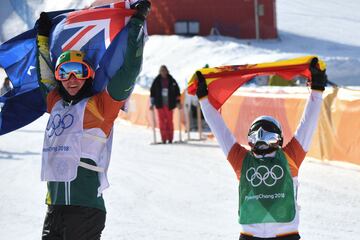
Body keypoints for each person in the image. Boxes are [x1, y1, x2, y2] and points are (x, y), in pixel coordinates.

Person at [35, 1, 151, 239]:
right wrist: (43, 39)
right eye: (64, 73)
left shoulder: (101, 106)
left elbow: (129, 70)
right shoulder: (55, 102)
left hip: (86, 209)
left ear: (88, 74)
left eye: (78, 71)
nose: (71, 78)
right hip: (54, 209)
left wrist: (137, 23)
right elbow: (44, 76)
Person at [195, 59, 327, 240]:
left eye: (266, 134)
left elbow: (219, 129)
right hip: (283, 234)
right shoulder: (290, 156)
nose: (262, 137)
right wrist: (317, 89)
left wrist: (204, 100)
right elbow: (308, 124)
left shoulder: (242, 160)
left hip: (254, 234)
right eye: (260, 134)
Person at [150, 65, 181, 143]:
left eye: (164, 70)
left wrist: (178, 102)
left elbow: (177, 92)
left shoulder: (172, 80)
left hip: (169, 105)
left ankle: (170, 138)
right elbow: (152, 93)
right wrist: (152, 103)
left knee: (169, 121)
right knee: (162, 122)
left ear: (167, 71)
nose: (163, 72)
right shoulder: (156, 81)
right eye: (162, 71)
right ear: (160, 72)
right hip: (160, 105)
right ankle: (164, 139)